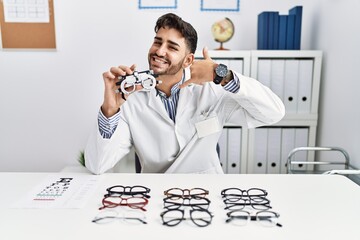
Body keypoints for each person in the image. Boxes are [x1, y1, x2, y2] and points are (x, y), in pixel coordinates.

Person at [85, 13, 285, 174]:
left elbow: (274, 113)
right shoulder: (130, 98)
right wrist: (109, 110)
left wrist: (223, 76)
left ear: (188, 60)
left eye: (171, 47)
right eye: (157, 42)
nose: (160, 51)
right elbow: (97, 165)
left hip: (207, 192)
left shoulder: (211, 90)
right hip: (157, 197)